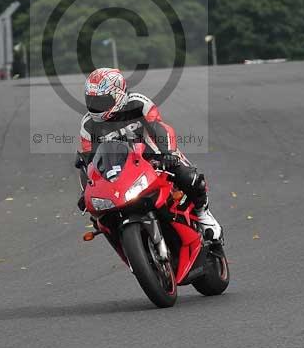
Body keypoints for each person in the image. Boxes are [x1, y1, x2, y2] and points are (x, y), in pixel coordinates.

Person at [76, 67, 223, 241]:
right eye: (91, 101)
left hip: (156, 157)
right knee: (101, 218)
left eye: (101, 101)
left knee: (188, 176)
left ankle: (203, 214)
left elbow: (160, 128)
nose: (95, 107)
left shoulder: (138, 103)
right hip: (120, 172)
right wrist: (87, 191)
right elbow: (88, 161)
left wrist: (167, 153)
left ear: (119, 95)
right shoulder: (87, 125)